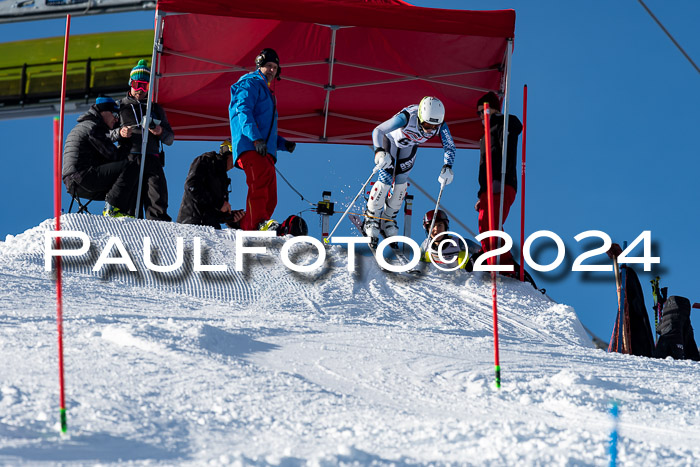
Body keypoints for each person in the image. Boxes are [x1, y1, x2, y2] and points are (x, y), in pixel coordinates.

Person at [363, 96, 456, 245]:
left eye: (434, 126)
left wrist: (447, 167)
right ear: (420, 117)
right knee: (386, 179)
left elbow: (450, 146)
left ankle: (388, 219)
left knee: (401, 185)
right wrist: (379, 151)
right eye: (426, 124)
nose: (430, 129)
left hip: (409, 146)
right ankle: (371, 217)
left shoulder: (440, 125)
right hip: (391, 141)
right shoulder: (407, 117)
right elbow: (378, 130)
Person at [228, 48, 296, 231]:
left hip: (264, 150)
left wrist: (282, 144)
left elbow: (266, 129)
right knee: (258, 186)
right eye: (268, 66)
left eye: (275, 67)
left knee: (271, 194)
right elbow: (243, 111)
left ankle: (254, 224)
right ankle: (256, 225)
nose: (272, 70)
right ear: (259, 65)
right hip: (251, 147)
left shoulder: (267, 92)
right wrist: (256, 139)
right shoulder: (249, 83)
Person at [62, 96, 139, 217]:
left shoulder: (89, 126)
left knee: (128, 182)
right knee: (131, 168)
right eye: (114, 114)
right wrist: (126, 144)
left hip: (72, 182)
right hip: (83, 177)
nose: (116, 118)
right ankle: (113, 209)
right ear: (103, 111)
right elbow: (113, 156)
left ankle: (124, 213)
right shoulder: (92, 127)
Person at [118, 59, 174, 221]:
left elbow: (170, 139)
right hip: (129, 157)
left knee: (157, 197)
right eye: (137, 84)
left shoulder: (155, 108)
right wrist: (120, 132)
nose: (140, 90)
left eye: (145, 85)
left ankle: (159, 233)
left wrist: (160, 131)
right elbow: (108, 133)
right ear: (130, 83)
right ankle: (129, 232)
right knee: (130, 200)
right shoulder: (120, 106)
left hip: (152, 157)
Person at [474, 91, 523, 269]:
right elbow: (483, 166)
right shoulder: (484, 136)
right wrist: (481, 194)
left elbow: (516, 125)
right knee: (484, 225)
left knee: (491, 224)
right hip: (487, 186)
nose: (480, 116)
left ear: (492, 109)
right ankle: (492, 257)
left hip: (503, 181)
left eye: (482, 111)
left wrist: (497, 117)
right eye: (479, 113)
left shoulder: (502, 124)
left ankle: (504, 263)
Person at [176, 140, 245, 229]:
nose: (234, 166)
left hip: (210, 227)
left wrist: (231, 218)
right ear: (230, 154)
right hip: (192, 224)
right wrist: (219, 204)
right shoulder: (206, 160)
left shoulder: (223, 178)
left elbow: (213, 209)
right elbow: (192, 187)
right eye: (236, 160)